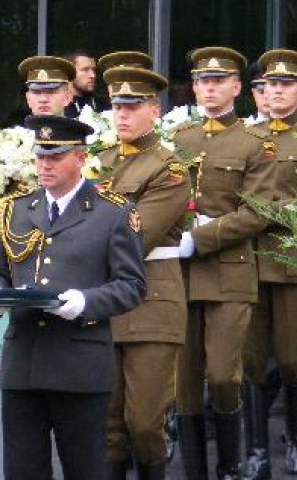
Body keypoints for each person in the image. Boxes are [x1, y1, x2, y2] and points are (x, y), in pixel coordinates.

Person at [0, 115, 146, 480]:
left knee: (84, 469)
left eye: (55, 157)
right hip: (23, 362)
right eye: (40, 156)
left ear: (79, 157)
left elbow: (131, 285)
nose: (44, 165)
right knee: (23, 470)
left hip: (79, 364)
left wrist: (85, 301)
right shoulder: (15, 210)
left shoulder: (113, 212)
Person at [172, 46, 276, 480]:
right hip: (180, 275)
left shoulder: (256, 143)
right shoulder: (179, 139)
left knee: (223, 376)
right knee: (185, 384)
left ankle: (231, 464)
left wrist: (200, 237)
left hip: (230, 272)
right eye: (201, 81)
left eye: (218, 81)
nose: (208, 88)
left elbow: (260, 211)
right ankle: (197, 471)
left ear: (237, 87)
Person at [241, 49, 297, 477]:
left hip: (293, 261)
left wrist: (270, 211)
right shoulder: (245, 136)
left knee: (294, 357)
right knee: (252, 360)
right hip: (247, 262)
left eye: (284, 85)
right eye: (269, 85)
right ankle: (256, 446)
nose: (275, 92)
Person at [96, 63, 189, 480]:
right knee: (107, 425)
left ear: (154, 110)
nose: (123, 115)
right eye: (117, 106)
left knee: (145, 422)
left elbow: (136, 236)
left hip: (150, 303)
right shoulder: (97, 163)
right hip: (102, 305)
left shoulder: (168, 169)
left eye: (133, 107)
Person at [63, 49, 109, 118]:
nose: (93, 75)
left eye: (93, 70)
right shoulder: (59, 108)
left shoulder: (105, 108)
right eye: (85, 70)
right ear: (69, 72)